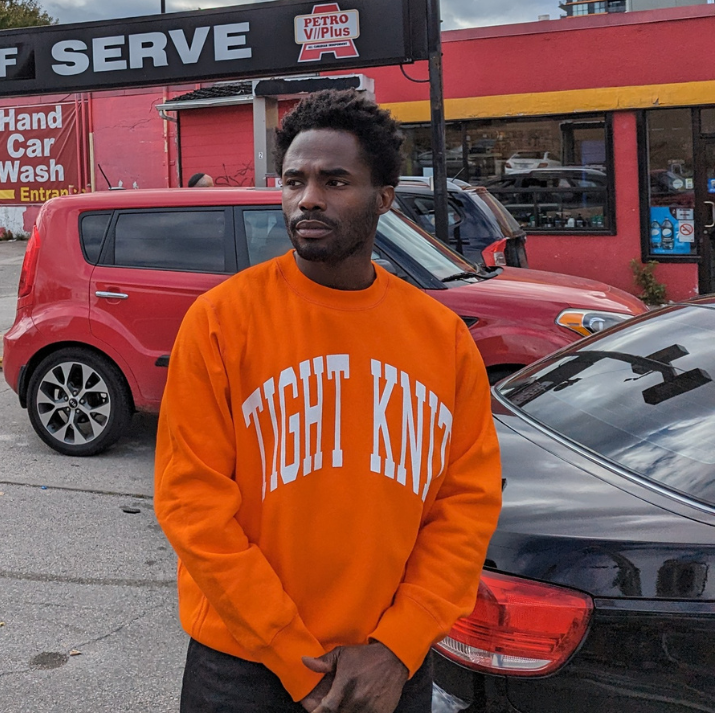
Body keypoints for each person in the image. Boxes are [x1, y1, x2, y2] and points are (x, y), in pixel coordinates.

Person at [155, 89, 501, 713]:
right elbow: (192, 505)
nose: (308, 197)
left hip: (388, 663)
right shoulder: (220, 321)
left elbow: (467, 504)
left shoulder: (440, 337)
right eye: (294, 180)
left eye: (335, 180)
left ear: (384, 199)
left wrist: (398, 645)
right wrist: (293, 656)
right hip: (245, 667)